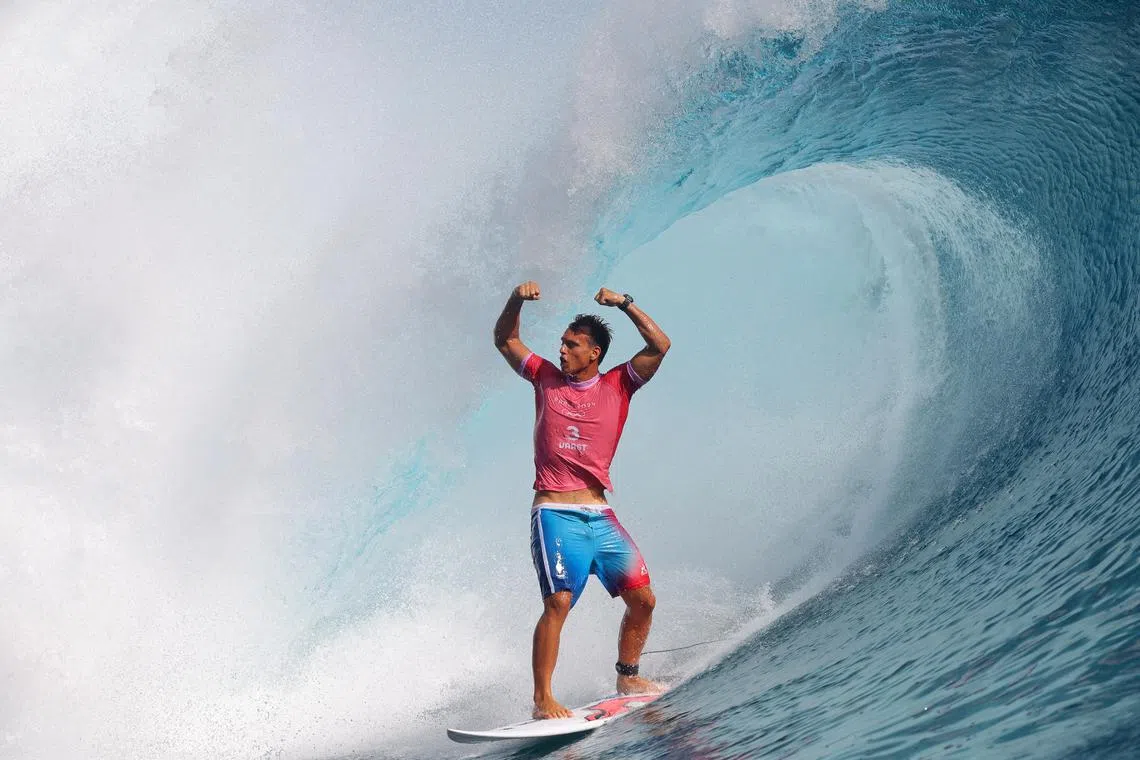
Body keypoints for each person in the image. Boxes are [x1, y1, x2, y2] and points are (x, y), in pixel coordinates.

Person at [493, 280, 672, 720]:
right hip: (555, 512)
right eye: (561, 342)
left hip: (599, 513)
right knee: (558, 603)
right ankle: (543, 700)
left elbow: (660, 344)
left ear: (593, 353)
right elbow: (506, 339)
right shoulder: (544, 377)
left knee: (643, 600)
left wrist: (625, 303)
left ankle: (628, 674)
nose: (562, 350)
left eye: (572, 345)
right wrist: (517, 298)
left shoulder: (618, 385)